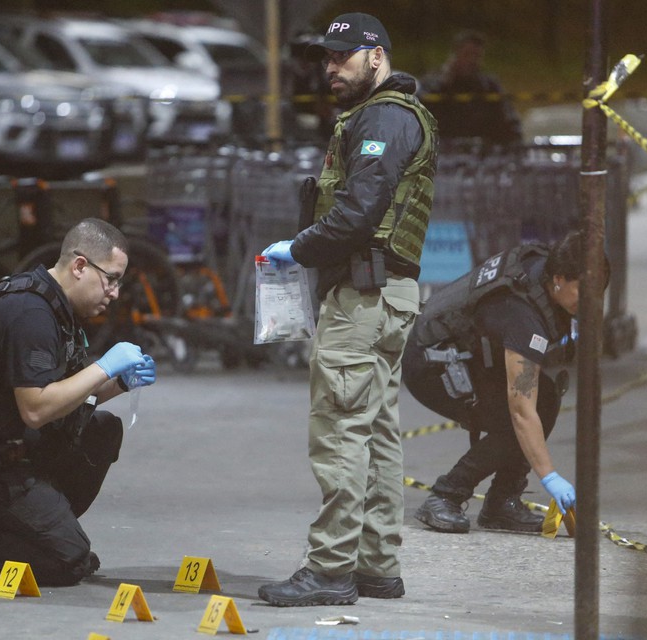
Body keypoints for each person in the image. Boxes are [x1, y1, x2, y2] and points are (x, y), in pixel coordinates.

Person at [257, 12, 437, 606]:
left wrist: (299, 248)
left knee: (339, 432)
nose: (331, 68)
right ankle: (376, 565)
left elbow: (360, 212)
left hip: (364, 298)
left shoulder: (383, 118)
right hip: (388, 295)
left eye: (343, 57)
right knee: (378, 434)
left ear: (377, 57)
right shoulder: (386, 115)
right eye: (326, 59)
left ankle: (331, 568)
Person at [0, 217, 157, 587]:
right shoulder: (31, 313)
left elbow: (66, 391)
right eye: (111, 279)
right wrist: (103, 365)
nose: (115, 293)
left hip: (9, 442)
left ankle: (41, 532)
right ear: (80, 266)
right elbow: (37, 409)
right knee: (68, 562)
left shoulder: (51, 305)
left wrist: (117, 382)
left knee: (101, 430)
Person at [402, 231, 598, 534]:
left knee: (545, 398)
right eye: (582, 292)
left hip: (466, 356)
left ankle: (502, 503)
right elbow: (521, 411)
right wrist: (550, 477)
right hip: (430, 365)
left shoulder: (544, 269)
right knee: (518, 418)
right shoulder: (522, 314)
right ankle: (445, 495)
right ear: (559, 278)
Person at [419, 30, 522, 149]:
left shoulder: (488, 86)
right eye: (467, 55)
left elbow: (508, 121)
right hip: (442, 151)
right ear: (454, 55)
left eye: (477, 56)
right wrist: (444, 83)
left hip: (480, 152)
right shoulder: (432, 84)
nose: (472, 61)